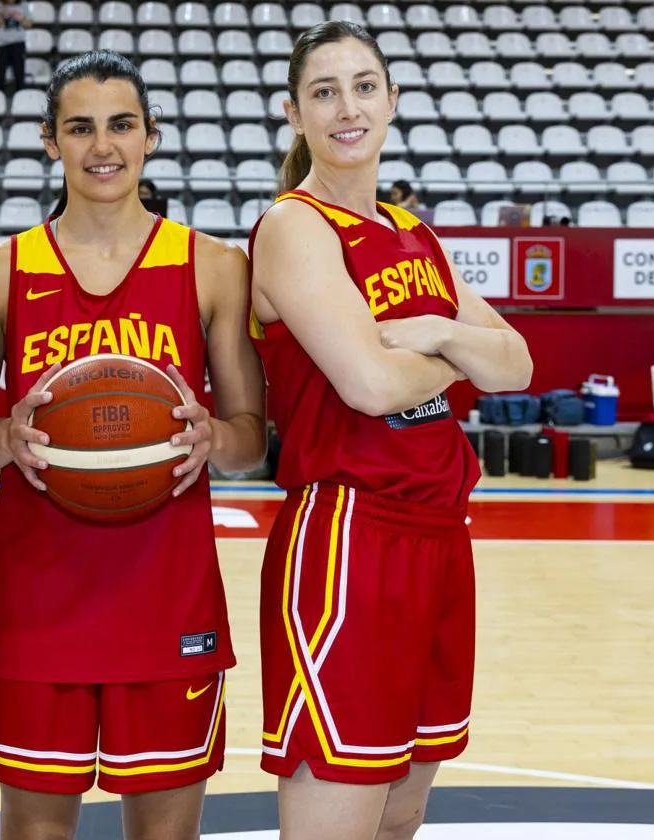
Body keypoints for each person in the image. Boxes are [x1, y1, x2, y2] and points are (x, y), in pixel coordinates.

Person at [0, 50, 267, 839]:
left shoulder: (214, 266)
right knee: (34, 830)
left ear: (151, 136)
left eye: (121, 125)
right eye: (79, 128)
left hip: (168, 592)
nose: (102, 146)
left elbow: (252, 440)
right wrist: (6, 438)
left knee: (165, 832)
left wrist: (211, 433)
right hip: (37, 596)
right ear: (50, 142)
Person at [248, 22, 533, 840]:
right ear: (294, 114)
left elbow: (515, 363)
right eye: (324, 91)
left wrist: (438, 334)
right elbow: (369, 385)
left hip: (441, 532)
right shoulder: (294, 226)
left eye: (364, 86)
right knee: (340, 812)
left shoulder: (417, 235)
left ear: (393, 101)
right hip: (349, 537)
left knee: (401, 814)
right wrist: (457, 350)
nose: (347, 107)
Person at [0, 0, 33, 93]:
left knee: (19, 76)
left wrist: (19, 18)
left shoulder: (24, 4)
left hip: (18, 43)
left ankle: (20, 100)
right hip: (1, 44)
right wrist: (3, 17)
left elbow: (29, 24)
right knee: (0, 77)